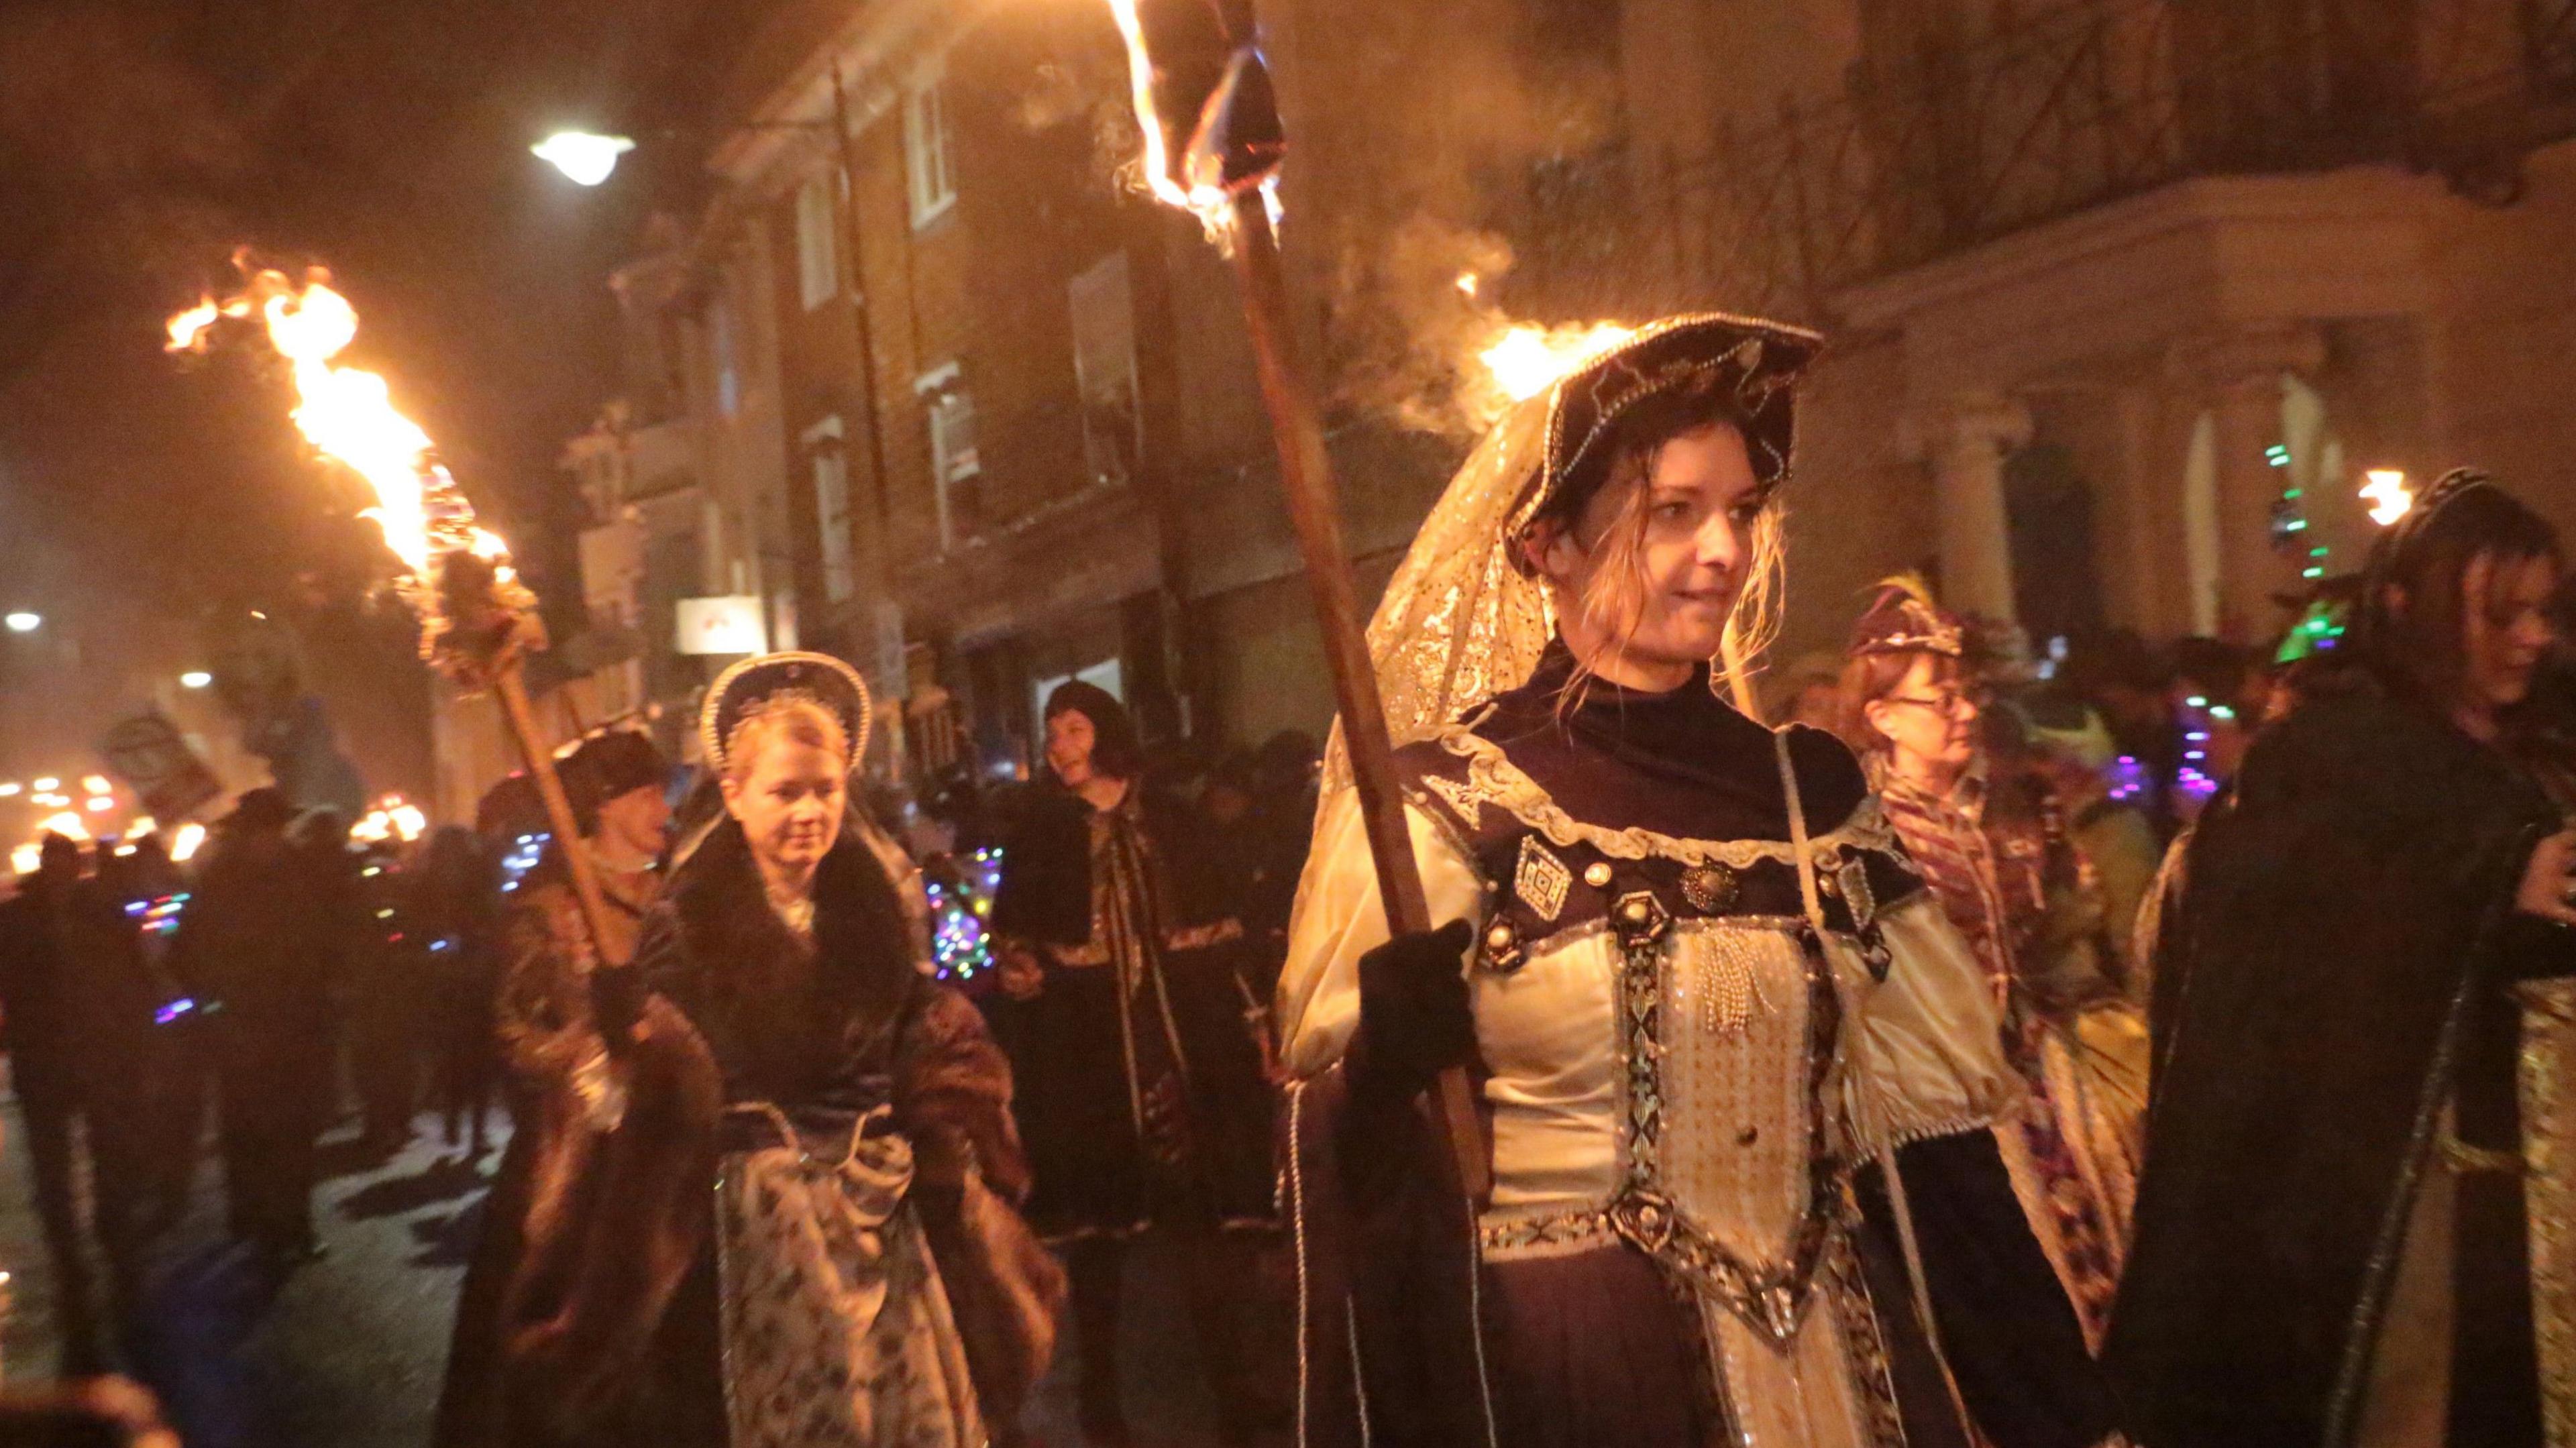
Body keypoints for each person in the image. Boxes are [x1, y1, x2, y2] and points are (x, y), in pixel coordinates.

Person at [1277, 314, 2121, 1448]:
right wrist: (1381, 1064)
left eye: (1739, 511)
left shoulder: (1809, 791)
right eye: (1674, 510)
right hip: (1576, 1371)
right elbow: (1346, 1171)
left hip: (1839, 1360)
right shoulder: (1442, 806)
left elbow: (1935, 1150)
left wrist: (2056, 1412)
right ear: (1549, 543)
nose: (1724, 550)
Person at [435, 653, 1059, 1448]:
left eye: (825, 788)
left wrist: (949, 1113)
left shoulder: (870, 911)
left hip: (887, 1226)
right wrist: (628, 1044)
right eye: (784, 790)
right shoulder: (688, 926)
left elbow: (918, 1041)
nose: (809, 810)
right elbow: (643, 1103)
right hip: (756, 1235)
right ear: (734, 795)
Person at [2110, 469, 2576, 1447]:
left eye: (2541, 611)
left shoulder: (2537, 750)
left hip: (2547, 1211)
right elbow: (2291, 935)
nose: (2533, 636)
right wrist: (2489, 879)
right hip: (2399, 1211)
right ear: (2412, 606)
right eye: (2501, 614)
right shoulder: (2338, 757)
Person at [1839, 577, 2145, 1351]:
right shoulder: (1860, 836)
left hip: (2043, 1068)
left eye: (1963, 693)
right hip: (1942, 1099)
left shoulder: (2014, 801)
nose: (1964, 711)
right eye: (1939, 699)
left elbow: (2068, 924)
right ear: (1882, 718)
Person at [987, 681, 1281, 1447]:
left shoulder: (1175, 822)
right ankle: (1102, 1400)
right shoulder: (1041, 835)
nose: (1061, 745)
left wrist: (1256, 1025)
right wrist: (1020, 967)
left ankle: (1238, 1392)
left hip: (1185, 1051)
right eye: (1052, 731)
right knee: (1100, 1240)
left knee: (1206, 1229)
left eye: (1075, 728)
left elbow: (1228, 932)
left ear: (1107, 734)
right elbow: (1014, 933)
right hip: (1090, 1059)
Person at [167, 787, 341, 1268]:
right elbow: (187, 950)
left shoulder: (301, 874)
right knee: (251, 1130)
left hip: (296, 1024)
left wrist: (326, 988)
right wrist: (216, 1001)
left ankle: (296, 1223)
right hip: (243, 1027)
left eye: (275, 829)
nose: (270, 838)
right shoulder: (219, 881)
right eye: (263, 830)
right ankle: (257, 1218)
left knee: (297, 1132)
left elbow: (328, 938)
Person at [0, 834, 154, 1371]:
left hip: (93, 1051)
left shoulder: (100, 911)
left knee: (109, 1146)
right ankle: (67, 1243)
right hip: (45, 1058)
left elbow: (132, 971)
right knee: (52, 1163)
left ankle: (111, 1229)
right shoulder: (19, 919)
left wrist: (135, 1027)